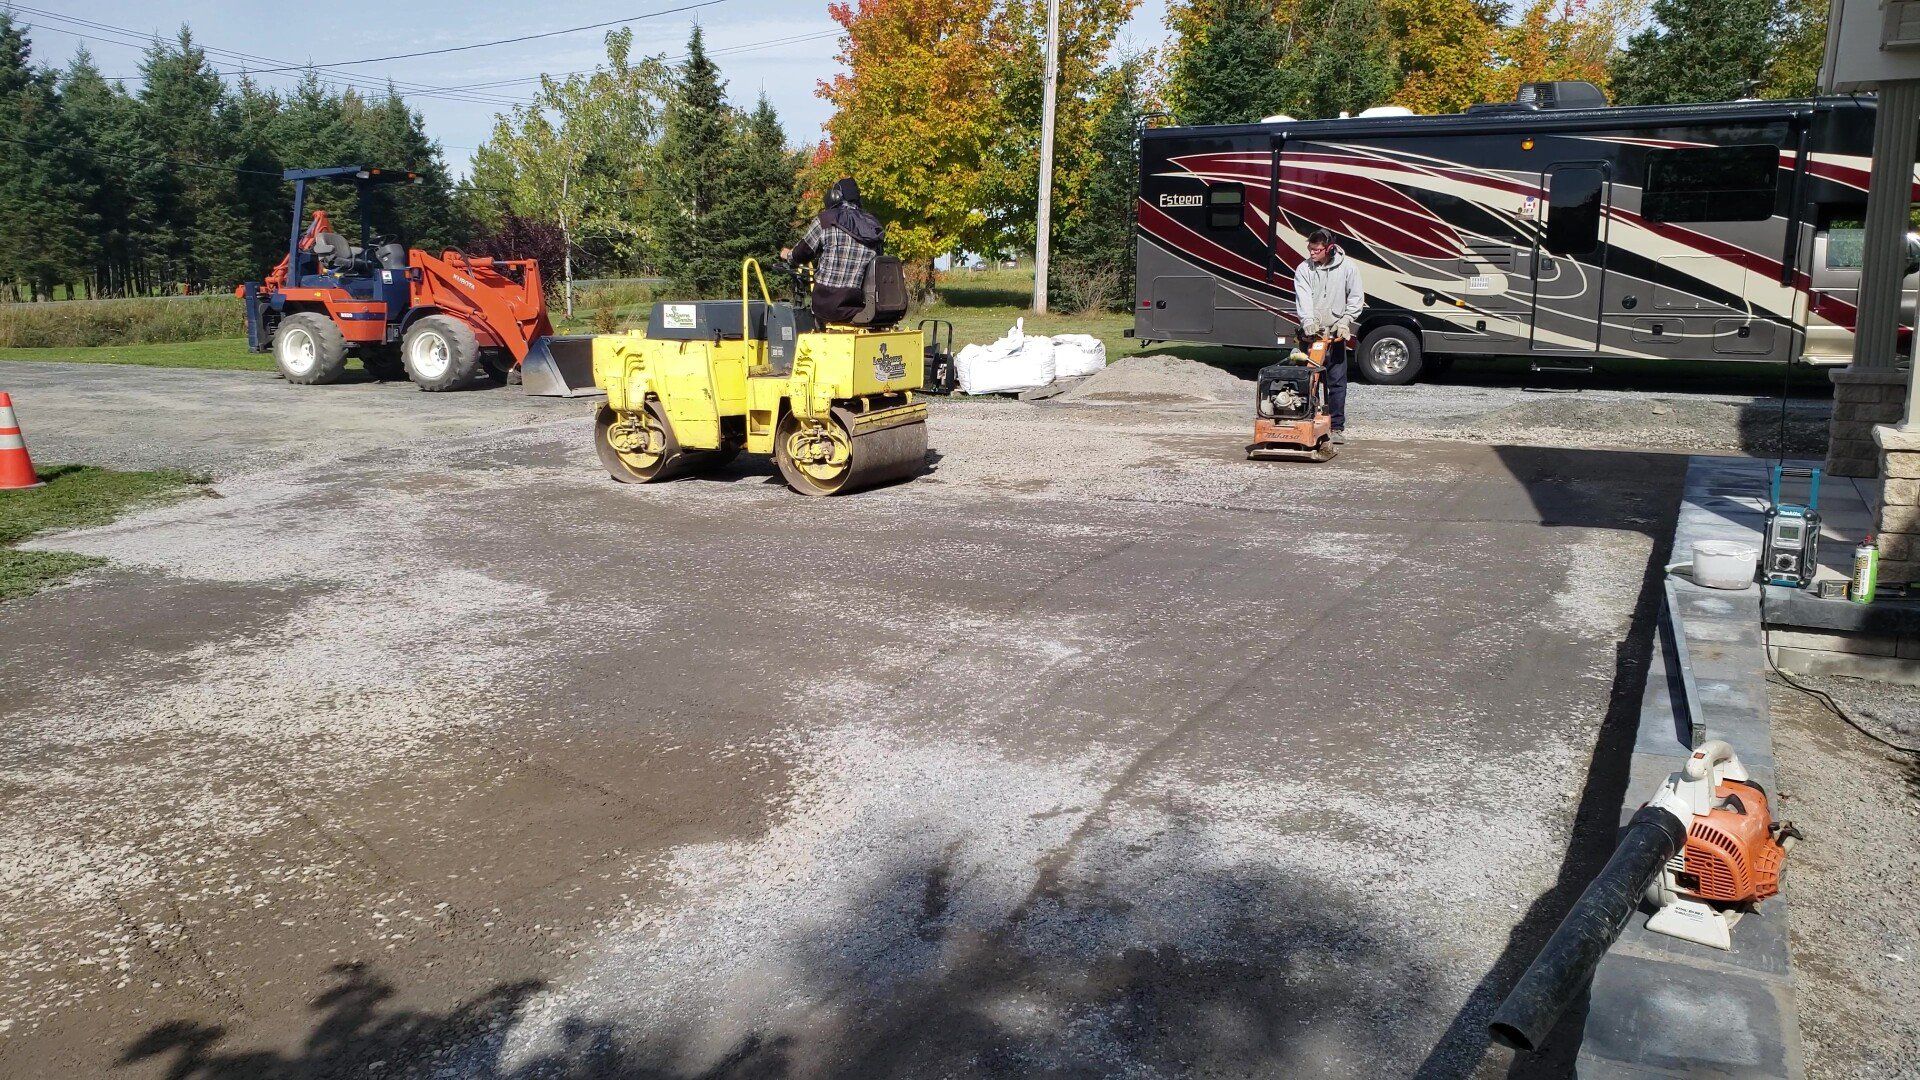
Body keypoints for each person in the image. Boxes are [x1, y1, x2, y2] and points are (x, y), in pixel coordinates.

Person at [1291, 228, 1365, 443]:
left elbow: (1356, 297)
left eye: (1316, 250)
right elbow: (1303, 297)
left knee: (1336, 382)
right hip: (1312, 335)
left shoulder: (1348, 268)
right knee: (1308, 380)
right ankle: (1307, 420)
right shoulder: (1304, 269)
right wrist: (1308, 322)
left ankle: (1337, 426)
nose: (1312, 253)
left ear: (1330, 249)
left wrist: (1345, 321)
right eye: (1310, 249)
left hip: (1335, 334)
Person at [781, 177, 884, 325]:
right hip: (857, 304)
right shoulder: (873, 226)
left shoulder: (825, 220)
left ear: (835, 196)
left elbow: (802, 253)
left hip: (826, 304)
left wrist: (789, 255)